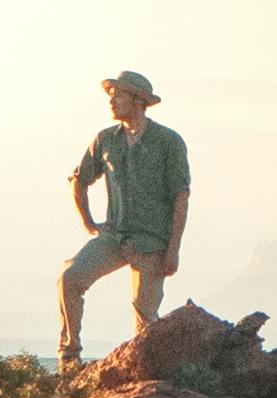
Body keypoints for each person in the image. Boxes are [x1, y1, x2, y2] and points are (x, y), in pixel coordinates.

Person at [57, 70, 190, 369]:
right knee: (70, 278)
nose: (112, 101)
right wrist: (89, 222)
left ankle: (146, 374)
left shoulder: (168, 141)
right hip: (114, 237)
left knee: (145, 316)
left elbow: (181, 197)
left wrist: (173, 250)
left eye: (119, 95)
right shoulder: (105, 140)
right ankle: (69, 356)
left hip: (153, 242)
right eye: (111, 95)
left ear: (139, 100)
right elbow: (79, 179)